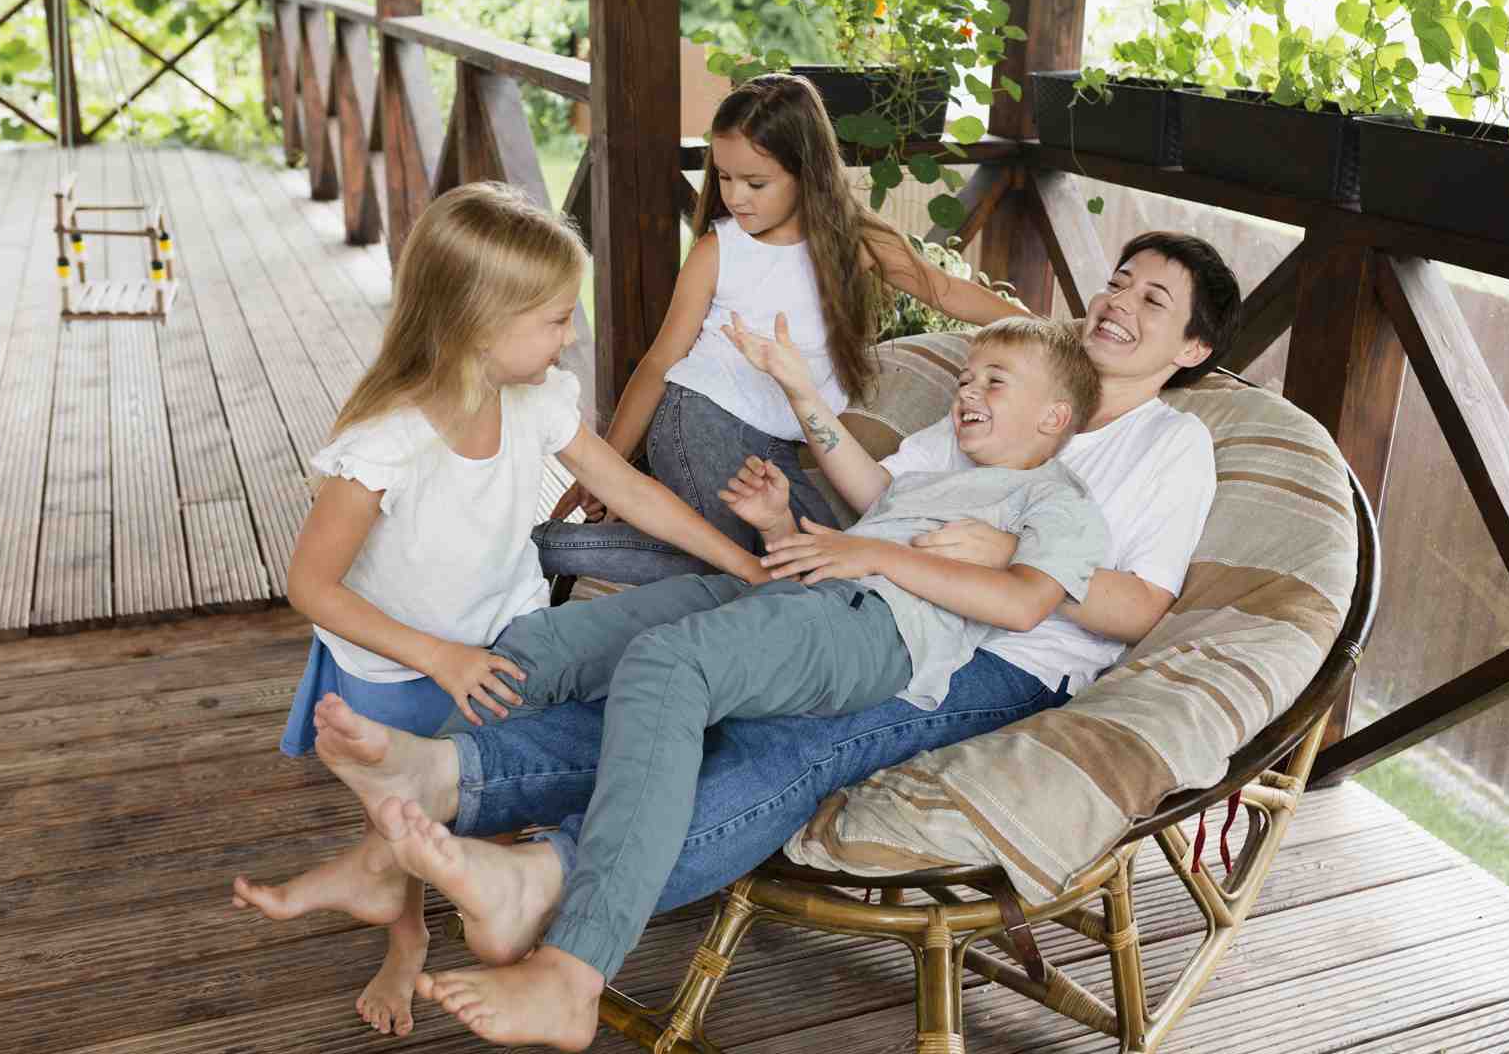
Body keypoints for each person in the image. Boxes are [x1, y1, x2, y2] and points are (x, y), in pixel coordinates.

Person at [263, 230, 1241, 1049]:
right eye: (1119, 278)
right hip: (852, 594)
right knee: (659, 679)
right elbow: (886, 504)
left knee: (770, 741)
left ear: (1191, 348)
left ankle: (550, 880)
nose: (1120, 300)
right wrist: (796, 491)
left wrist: (996, 553)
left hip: (991, 658)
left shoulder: (1167, 446)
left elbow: (1137, 606)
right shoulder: (1004, 384)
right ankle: (462, 779)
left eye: (1154, 299)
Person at [227, 182, 767, 1038]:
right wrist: (437, 658)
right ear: (479, 322)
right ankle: (403, 943)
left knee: (484, 784)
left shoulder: (537, 399)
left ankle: (496, 910)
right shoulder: (387, 442)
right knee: (400, 815)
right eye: (555, 320)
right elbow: (312, 586)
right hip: (396, 660)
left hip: (506, 636)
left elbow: (624, 486)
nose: (570, 335)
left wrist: (743, 560)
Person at [534, 71, 1029, 585]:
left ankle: (559, 550)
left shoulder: (855, 242)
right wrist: (608, 469)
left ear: (806, 172)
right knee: (745, 566)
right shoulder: (717, 252)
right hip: (701, 417)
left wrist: (1041, 326)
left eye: (755, 183)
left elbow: (945, 291)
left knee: (816, 562)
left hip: (781, 440)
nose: (734, 197)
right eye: (723, 177)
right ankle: (547, 547)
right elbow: (661, 363)